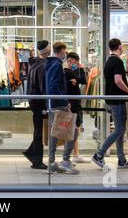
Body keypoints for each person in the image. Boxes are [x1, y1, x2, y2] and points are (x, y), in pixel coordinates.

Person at [92, 38, 128, 169]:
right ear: (119, 47)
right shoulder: (117, 61)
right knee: (119, 129)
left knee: (120, 130)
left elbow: (115, 82)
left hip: (113, 99)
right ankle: (99, 155)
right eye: (121, 46)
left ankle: (121, 160)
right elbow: (118, 80)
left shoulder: (109, 61)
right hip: (117, 101)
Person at [45, 42, 79, 174]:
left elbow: (53, 83)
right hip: (59, 103)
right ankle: (65, 160)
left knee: (55, 132)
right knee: (73, 130)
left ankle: (52, 162)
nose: (66, 55)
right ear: (62, 51)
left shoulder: (49, 64)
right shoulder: (57, 65)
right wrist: (65, 102)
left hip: (53, 102)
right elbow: (54, 86)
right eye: (65, 52)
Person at [23, 40, 50, 170]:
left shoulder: (33, 64)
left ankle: (32, 154)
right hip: (39, 101)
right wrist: (48, 102)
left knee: (37, 128)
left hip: (33, 100)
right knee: (39, 129)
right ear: (47, 50)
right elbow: (43, 86)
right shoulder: (42, 66)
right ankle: (36, 160)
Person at [64, 52, 89, 164]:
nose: (76, 64)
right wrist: (82, 69)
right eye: (75, 62)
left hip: (73, 104)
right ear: (69, 61)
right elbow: (84, 80)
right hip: (73, 105)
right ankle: (71, 156)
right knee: (74, 130)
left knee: (75, 130)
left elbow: (78, 80)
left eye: (77, 62)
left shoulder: (68, 72)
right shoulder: (68, 72)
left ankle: (75, 154)